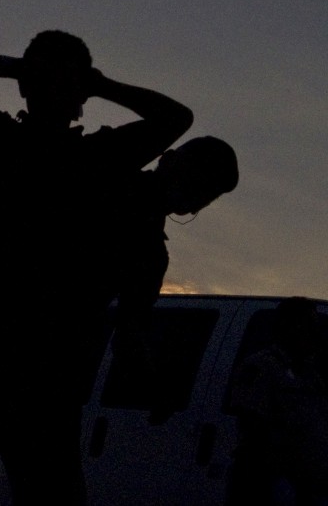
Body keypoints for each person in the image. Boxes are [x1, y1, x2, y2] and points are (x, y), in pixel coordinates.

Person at [0, 30, 193, 506]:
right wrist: (91, 83)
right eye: (49, 78)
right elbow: (174, 118)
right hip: (1, 366)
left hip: (13, 368)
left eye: (65, 81)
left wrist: (29, 71)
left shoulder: (16, 144)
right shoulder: (74, 154)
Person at [103, 135, 239, 424]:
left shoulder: (151, 254)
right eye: (199, 186)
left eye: (207, 194)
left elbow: (129, 333)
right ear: (168, 160)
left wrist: (153, 389)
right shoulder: (106, 182)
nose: (197, 201)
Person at [227, 296, 328, 505]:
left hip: (305, 487)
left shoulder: (310, 374)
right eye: (309, 326)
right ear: (290, 327)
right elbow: (254, 431)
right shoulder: (262, 367)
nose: (316, 334)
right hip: (270, 484)